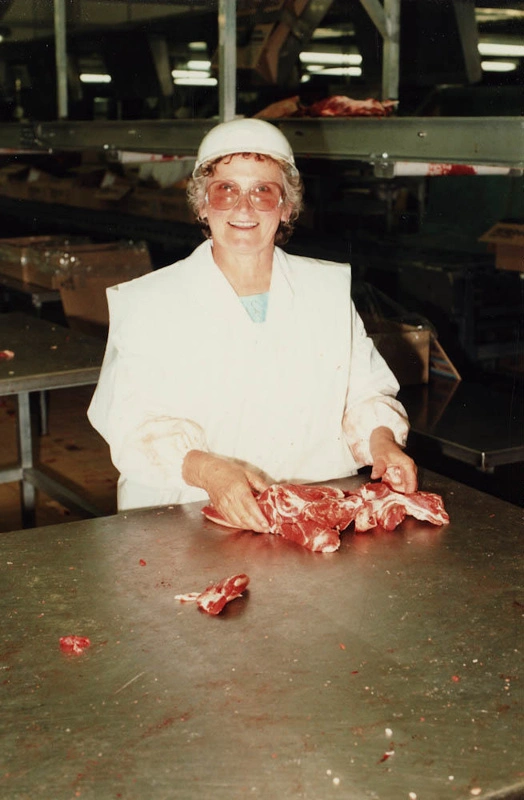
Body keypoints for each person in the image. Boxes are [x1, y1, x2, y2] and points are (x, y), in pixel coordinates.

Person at [88, 117, 417, 532]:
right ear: (202, 205)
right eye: (226, 190)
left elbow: (365, 391)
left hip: (308, 514)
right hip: (184, 518)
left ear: (287, 206)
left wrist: (382, 443)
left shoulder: (326, 290)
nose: (244, 208)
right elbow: (133, 424)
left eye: (263, 191)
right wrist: (208, 471)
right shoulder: (148, 301)